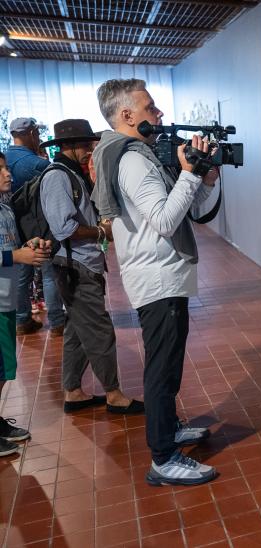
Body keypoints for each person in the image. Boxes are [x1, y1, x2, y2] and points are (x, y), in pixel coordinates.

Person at [93, 78, 217, 486]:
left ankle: (169, 430)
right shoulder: (131, 159)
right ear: (126, 116)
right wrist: (187, 173)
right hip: (158, 277)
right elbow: (165, 222)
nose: (159, 114)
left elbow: (175, 210)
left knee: (169, 363)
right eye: (150, 107)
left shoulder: (135, 154)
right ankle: (163, 457)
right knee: (162, 369)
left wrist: (202, 179)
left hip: (165, 276)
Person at [38, 119, 145, 415]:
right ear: (69, 146)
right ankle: (114, 394)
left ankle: (73, 391)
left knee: (77, 330)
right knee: (99, 331)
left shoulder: (71, 173)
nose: (90, 150)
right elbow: (64, 228)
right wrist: (101, 231)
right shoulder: (58, 177)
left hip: (82, 264)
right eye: (86, 145)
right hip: (75, 266)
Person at [0, 152, 52, 456]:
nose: (8, 175)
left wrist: (28, 246)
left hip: (6, 300)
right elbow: (10, 254)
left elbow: (12, 245)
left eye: (6, 168)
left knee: (5, 369)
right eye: (1, 170)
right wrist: (15, 257)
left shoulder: (5, 208)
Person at [5, 117, 66, 336]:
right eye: (37, 133)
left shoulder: (4, 159)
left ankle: (22, 320)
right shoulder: (37, 164)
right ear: (31, 134)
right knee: (48, 272)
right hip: (38, 226)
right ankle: (58, 321)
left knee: (22, 273)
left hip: (12, 226)